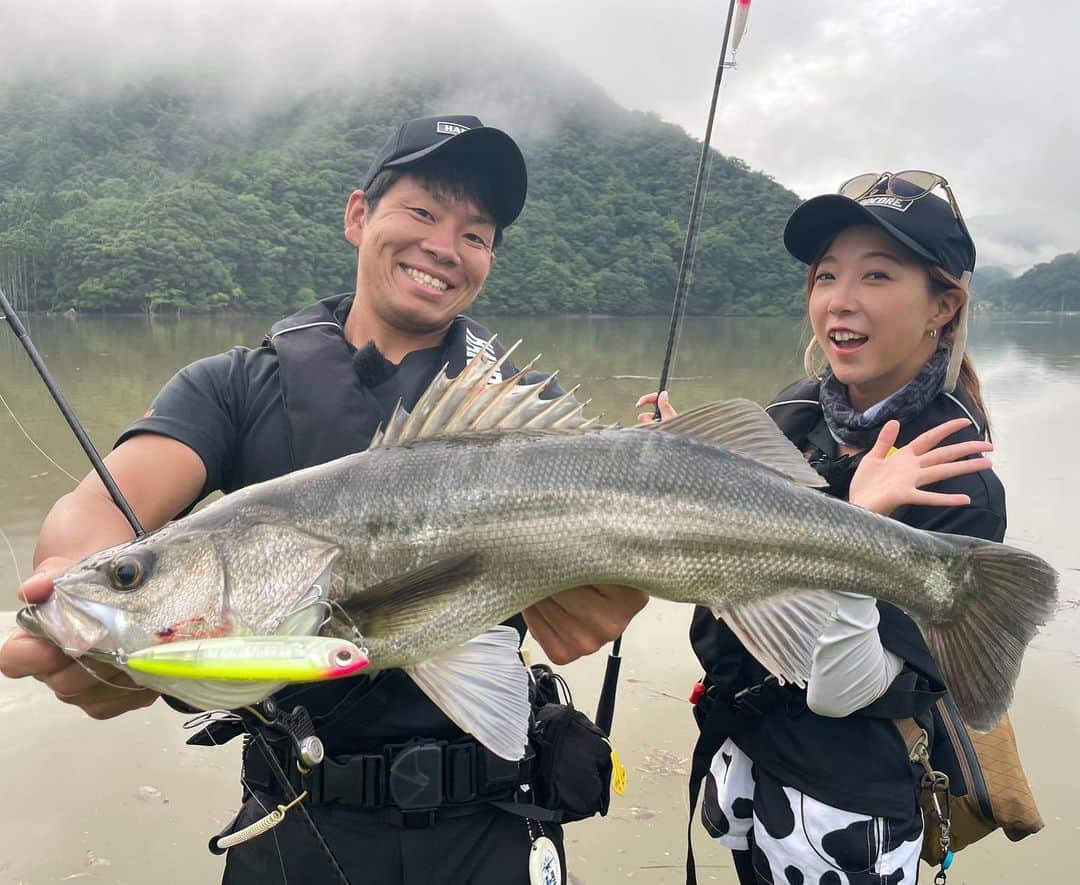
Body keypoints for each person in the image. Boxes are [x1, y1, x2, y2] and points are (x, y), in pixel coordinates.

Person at [0, 115, 648, 885]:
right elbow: (100, 508)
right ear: (357, 215)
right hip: (297, 819)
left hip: (491, 820)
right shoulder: (235, 386)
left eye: (477, 233)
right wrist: (82, 576)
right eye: (422, 211)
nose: (445, 244)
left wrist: (605, 600)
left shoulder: (518, 408)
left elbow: (602, 573)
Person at [639, 171, 1003, 884]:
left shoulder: (953, 479)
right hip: (749, 750)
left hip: (841, 807)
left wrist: (858, 526)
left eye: (876, 274)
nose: (840, 299)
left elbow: (843, 689)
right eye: (826, 274)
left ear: (943, 305)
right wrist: (688, 461)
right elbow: (743, 547)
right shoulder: (799, 414)